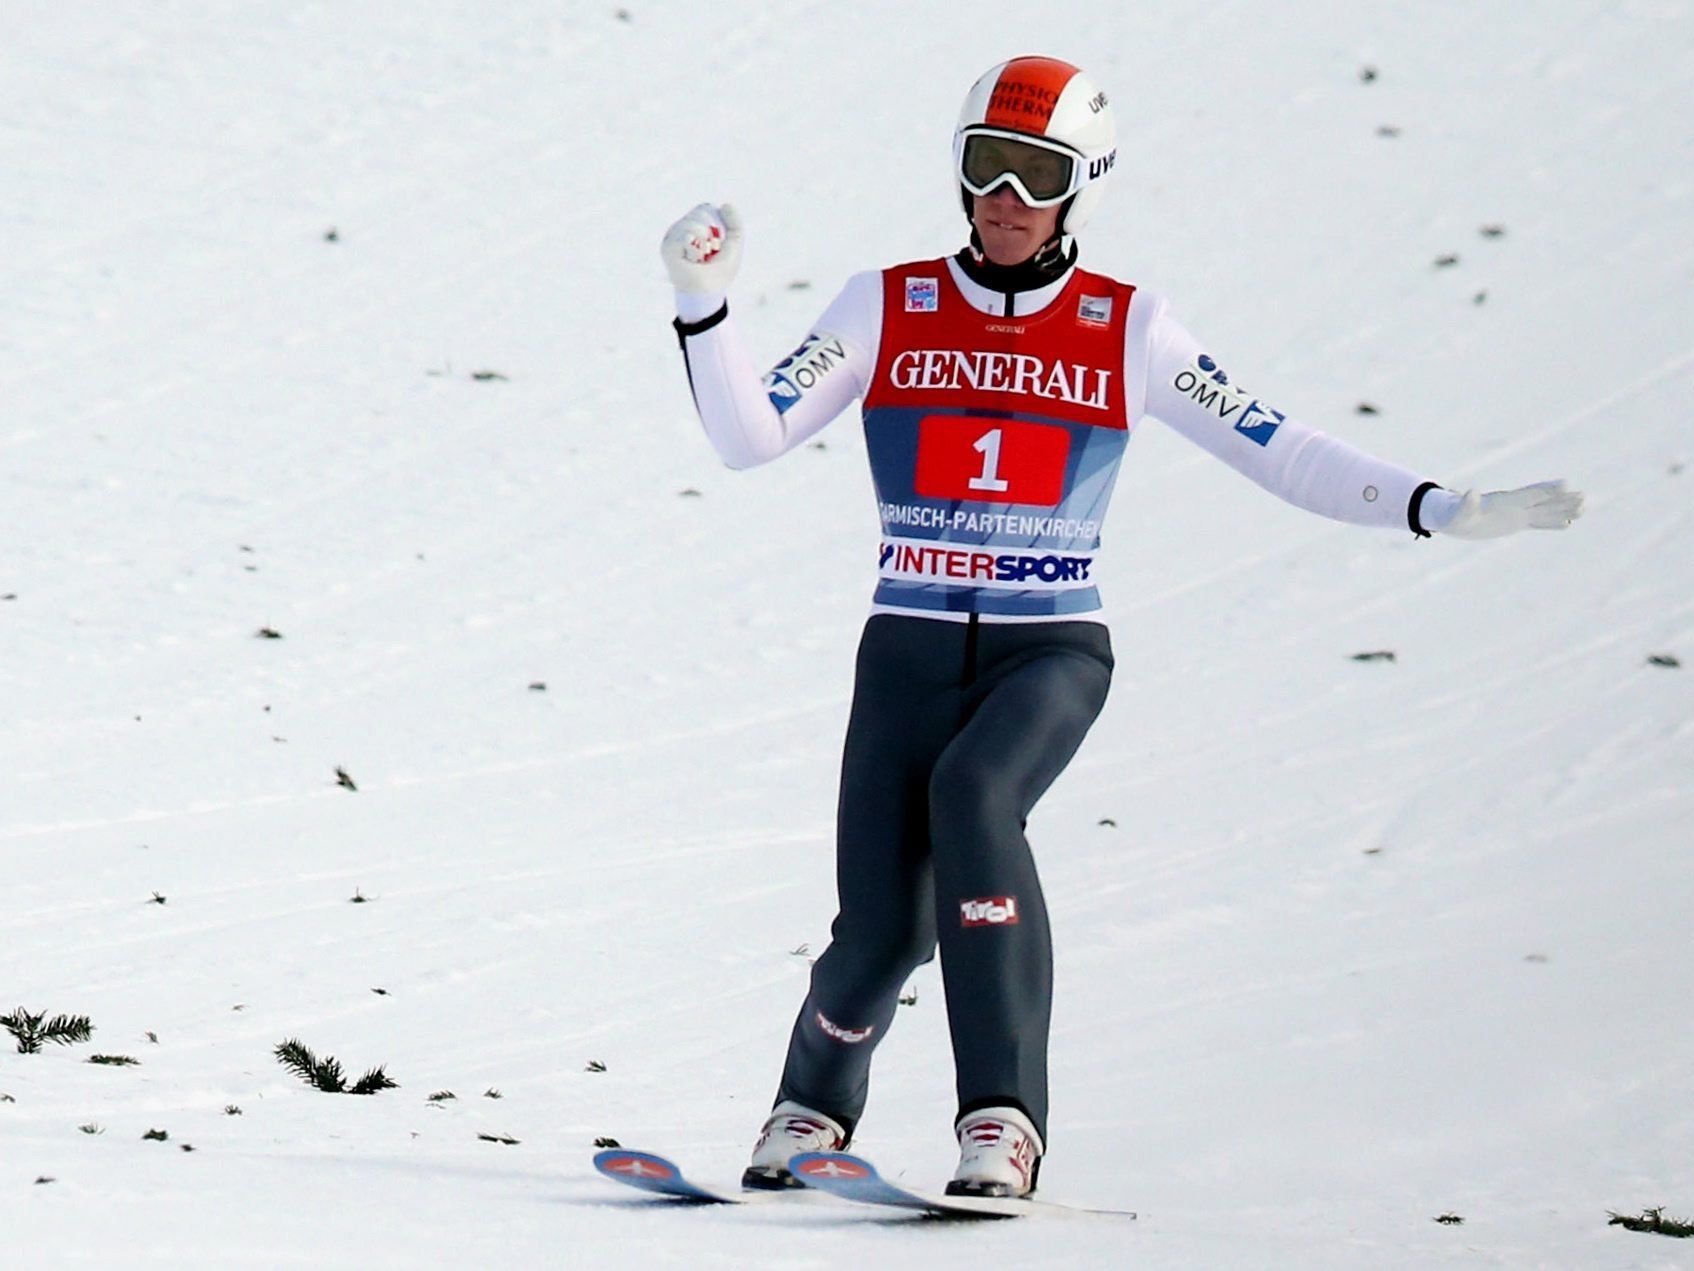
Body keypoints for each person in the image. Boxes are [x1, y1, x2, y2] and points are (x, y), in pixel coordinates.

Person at [659, 56, 1583, 1199]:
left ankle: (999, 1119)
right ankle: (807, 1108)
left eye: (1035, 174)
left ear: (1082, 187)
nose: (1003, 197)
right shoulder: (885, 303)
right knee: (880, 931)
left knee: (974, 795)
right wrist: (702, 305)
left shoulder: (1125, 327)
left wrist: (1434, 506)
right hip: (904, 645)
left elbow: (1277, 447)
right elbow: (749, 435)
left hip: (1047, 649)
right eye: (984, 166)